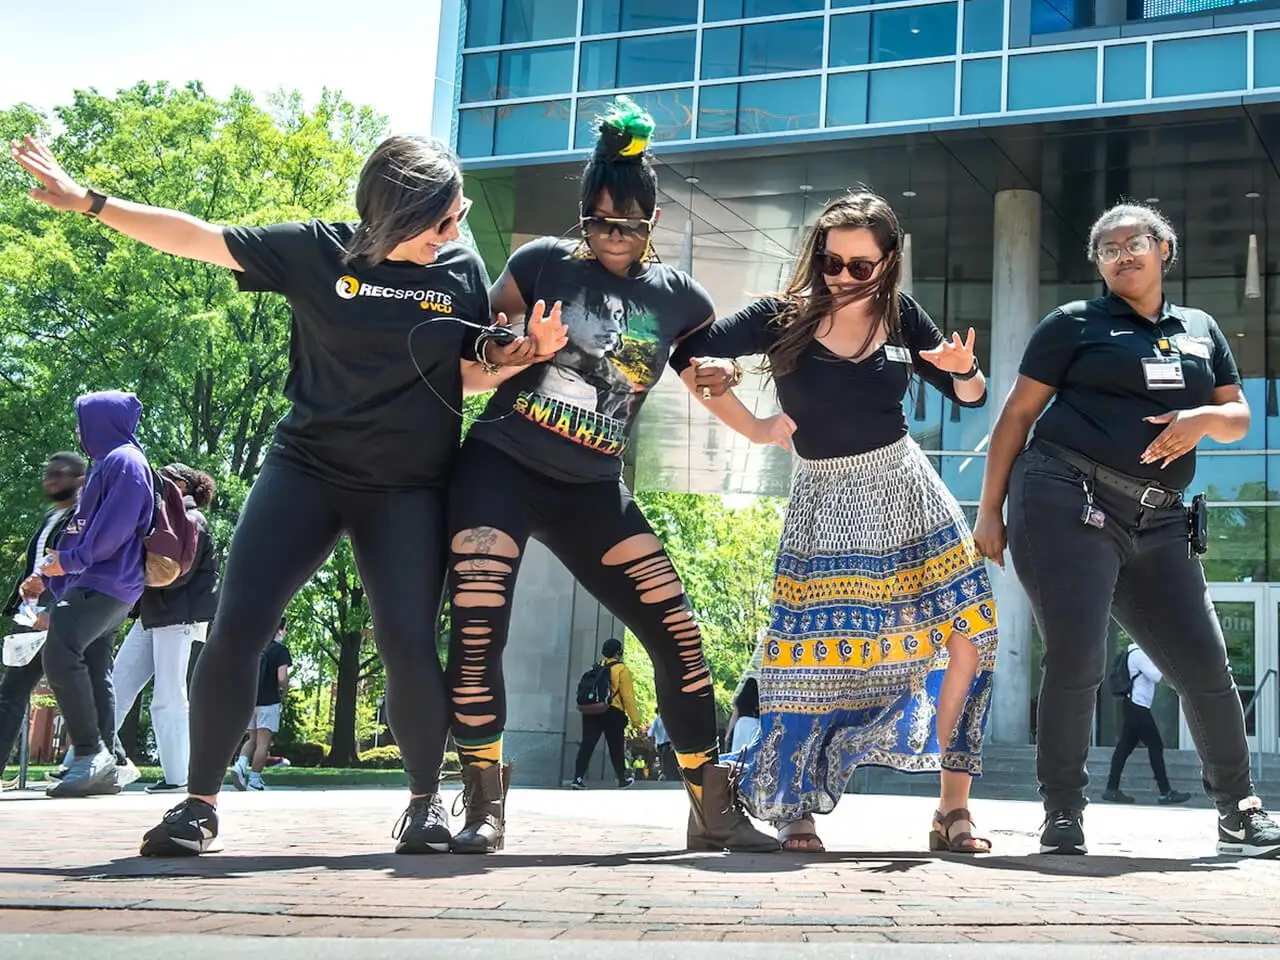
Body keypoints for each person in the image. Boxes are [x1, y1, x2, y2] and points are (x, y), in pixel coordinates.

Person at [10, 134, 564, 853]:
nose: (454, 232)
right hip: (305, 470)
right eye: (444, 219)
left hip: (408, 486)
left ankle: (425, 804)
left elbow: (461, 370)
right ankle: (198, 805)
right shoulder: (316, 252)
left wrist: (519, 358)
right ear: (397, 213)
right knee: (237, 628)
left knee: (405, 641)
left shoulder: (458, 265)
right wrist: (91, 201)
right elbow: (197, 237)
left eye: (456, 218)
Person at [440, 97, 776, 855]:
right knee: (476, 627)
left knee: (680, 635)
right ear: (581, 215)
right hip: (501, 466)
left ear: (653, 224)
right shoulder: (538, 264)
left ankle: (710, 805)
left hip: (593, 489)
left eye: (627, 225)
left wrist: (757, 424)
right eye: (597, 222)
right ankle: (483, 806)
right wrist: (518, 347)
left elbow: (702, 380)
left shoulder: (681, 299)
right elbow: (470, 364)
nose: (611, 237)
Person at [670, 189, 997, 854]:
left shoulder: (902, 316)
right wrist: (752, 422)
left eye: (861, 265)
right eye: (832, 261)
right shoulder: (777, 318)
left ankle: (952, 808)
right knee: (806, 661)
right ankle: (796, 807)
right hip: (825, 502)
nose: (844, 276)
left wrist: (965, 374)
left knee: (974, 629)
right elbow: (689, 355)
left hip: (907, 492)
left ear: (888, 263)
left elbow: (969, 392)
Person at [973, 201, 1280, 859]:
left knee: (1205, 662)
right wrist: (989, 508)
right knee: (1079, 655)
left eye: (1132, 243)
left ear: (1163, 249)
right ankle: (1062, 813)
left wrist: (1201, 416)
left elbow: (1239, 417)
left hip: (1161, 516)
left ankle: (1239, 808)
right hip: (1065, 496)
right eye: (1106, 249)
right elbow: (1017, 415)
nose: (1120, 255)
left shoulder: (1200, 329)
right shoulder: (1075, 324)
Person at [40, 391, 157, 798]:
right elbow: (89, 527)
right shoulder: (110, 463)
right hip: (102, 582)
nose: (77, 431)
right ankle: (105, 758)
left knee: (59, 651)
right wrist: (61, 571)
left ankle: (90, 753)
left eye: (82, 421)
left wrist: (70, 562)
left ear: (102, 421)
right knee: (94, 667)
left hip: (105, 581)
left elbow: (113, 530)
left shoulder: (125, 462)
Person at [112, 465, 220, 794]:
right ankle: (91, 758)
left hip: (178, 617)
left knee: (169, 697)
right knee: (115, 685)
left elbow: (177, 572)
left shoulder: (190, 519)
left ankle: (178, 777)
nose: (155, 483)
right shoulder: (167, 518)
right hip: (154, 613)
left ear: (182, 485)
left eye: (164, 477)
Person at [0, 453, 87, 788]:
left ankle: (108, 758)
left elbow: (83, 567)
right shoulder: (51, 518)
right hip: (29, 616)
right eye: (47, 472)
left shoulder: (83, 518)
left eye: (58, 473)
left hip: (61, 614)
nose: (49, 478)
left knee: (79, 689)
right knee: (11, 693)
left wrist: (57, 610)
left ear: (80, 479)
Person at [1103, 643, 1191, 806]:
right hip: (1138, 707)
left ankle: (1111, 789)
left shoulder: (1136, 653)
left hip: (1134, 706)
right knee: (1155, 745)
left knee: (1124, 748)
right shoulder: (1139, 654)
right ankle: (1165, 792)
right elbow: (1156, 675)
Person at [571, 638, 640, 790]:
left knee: (587, 744)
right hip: (612, 711)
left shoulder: (597, 668)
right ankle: (622, 779)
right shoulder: (621, 669)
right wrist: (635, 720)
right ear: (618, 652)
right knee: (615, 747)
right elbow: (628, 697)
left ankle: (577, 778)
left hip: (592, 710)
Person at [232, 617, 291, 792]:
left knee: (252, 739)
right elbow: (281, 678)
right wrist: (285, 689)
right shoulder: (280, 650)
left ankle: (240, 765)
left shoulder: (255, 649)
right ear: (279, 630)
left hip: (251, 700)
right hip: (269, 701)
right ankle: (255, 781)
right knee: (263, 743)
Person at [725, 677, 761, 756]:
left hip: (741, 724)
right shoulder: (759, 700)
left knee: (738, 749)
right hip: (755, 724)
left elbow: (734, 716)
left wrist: (728, 733)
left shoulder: (740, 699)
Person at [650, 711, 678, 781]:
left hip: (666, 743)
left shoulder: (667, 719)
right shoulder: (659, 720)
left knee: (664, 758)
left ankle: (666, 774)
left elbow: (651, 733)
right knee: (664, 759)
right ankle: (666, 774)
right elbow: (651, 732)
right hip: (662, 743)